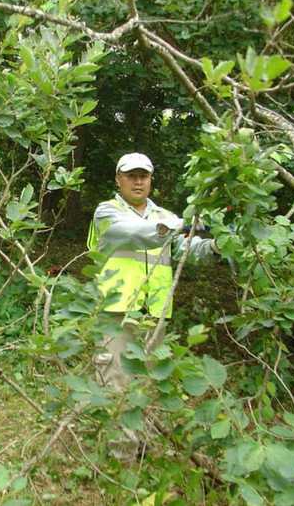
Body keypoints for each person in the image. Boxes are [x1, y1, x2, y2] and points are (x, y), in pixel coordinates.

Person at [87, 152, 217, 460]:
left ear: (150, 180)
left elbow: (189, 249)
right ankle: (120, 460)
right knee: (116, 382)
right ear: (118, 180)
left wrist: (217, 243)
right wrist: (190, 223)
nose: (137, 181)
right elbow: (136, 233)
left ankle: (139, 445)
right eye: (130, 175)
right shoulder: (107, 212)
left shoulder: (165, 215)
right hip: (115, 312)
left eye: (143, 175)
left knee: (144, 382)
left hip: (153, 315)